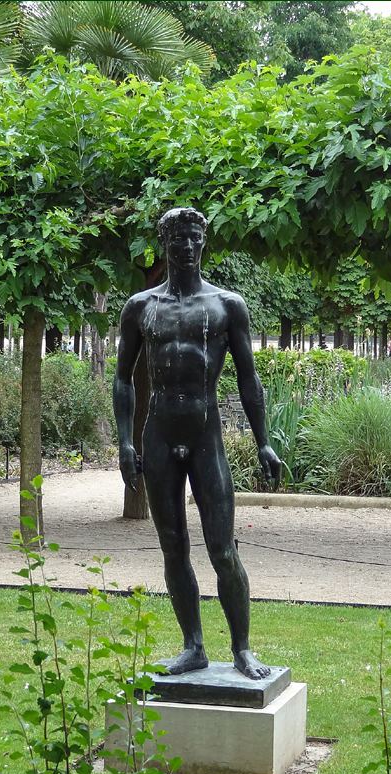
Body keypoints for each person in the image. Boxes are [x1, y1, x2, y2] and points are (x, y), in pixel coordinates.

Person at [113, 207, 281, 680]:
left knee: (222, 549)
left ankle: (243, 648)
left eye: (193, 238)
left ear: (203, 242)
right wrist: (125, 442)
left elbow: (250, 380)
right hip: (160, 436)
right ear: (163, 244)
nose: (185, 247)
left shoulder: (227, 306)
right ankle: (193, 646)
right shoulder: (141, 307)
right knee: (172, 547)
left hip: (206, 438)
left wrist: (263, 441)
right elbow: (123, 379)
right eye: (176, 239)